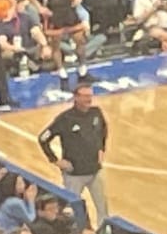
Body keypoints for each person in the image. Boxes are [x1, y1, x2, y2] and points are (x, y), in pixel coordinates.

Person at [37, 82, 111, 223]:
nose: (89, 99)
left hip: (95, 171)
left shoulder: (96, 113)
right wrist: (55, 160)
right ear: (76, 97)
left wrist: (102, 149)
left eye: (90, 95)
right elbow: (43, 138)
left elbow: (104, 130)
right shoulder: (65, 119)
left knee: (103, 209)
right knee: (73, 210)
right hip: (74, 174)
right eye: (85, 96)